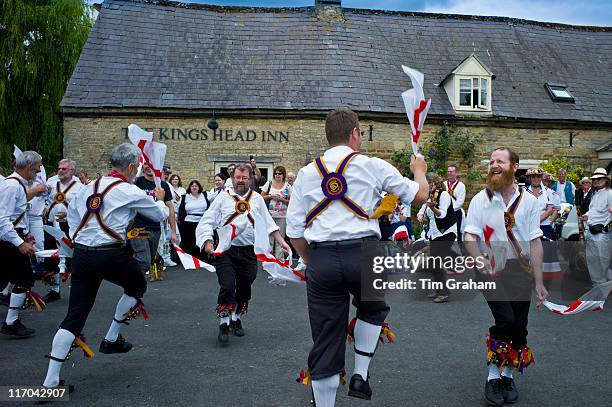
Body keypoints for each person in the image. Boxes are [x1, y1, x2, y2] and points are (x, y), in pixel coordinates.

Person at [286, 108, 428, 406]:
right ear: (354, 134)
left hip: (322, 257)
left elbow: (294, 230)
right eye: (360, 133)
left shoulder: (306, 172)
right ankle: (360, 374)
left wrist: (312, 261)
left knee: (326, 337)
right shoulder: (372, 165)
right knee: (372, 309)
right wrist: (419, 171)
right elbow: (419, 196)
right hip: (365, 253)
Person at [41, 143, 169, 392]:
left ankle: (50, 383)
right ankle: (111, 338)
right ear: (132, 167)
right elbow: (158, 215)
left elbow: (75, 220)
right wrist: (161, 200)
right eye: (137, 167)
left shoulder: (87, 188)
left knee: (75, 316)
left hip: (82, 255)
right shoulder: (129, 190)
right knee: (137, 284)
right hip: (111, 255)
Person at [463, 148, 548, 407]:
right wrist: (480, 260)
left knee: (519, 326)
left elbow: (535, 243)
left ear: (515, 166)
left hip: (519, 270)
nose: (494, 165)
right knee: (506, 319)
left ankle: (508, 375)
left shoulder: (531, 202)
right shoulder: (481, 199)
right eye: (491, 162)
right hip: (489, 269)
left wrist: (539, 282)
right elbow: (470, 237)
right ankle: (492, 378)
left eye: (500, 161)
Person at [197, 163, 289, 344]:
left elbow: (269, 223)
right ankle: (223, 323)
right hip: (226, 250)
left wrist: (282, 242)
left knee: (245, 288)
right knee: (227, 285)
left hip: (249, 251)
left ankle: (236, 317)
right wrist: (207, 241)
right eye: (238, 177)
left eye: (245, 178)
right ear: (232, 178)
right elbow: (207, 220)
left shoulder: (257, 199)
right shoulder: (223, 198)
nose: (241, 181)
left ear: (251, 179)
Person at [0, 151, 44, 337]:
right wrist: (19, 243)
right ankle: (11, 322)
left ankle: (11, 321)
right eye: (38, 165)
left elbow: (16, 216)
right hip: (8, 240)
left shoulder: (17, 185)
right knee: (23, 278)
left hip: (12, 237)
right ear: (29, 166)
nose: (40, 169)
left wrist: (26, 234)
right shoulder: (12, 186)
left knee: (19, 278)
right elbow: (2, 220)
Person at [128, 163, 176, 281]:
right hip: (137, 227)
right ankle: (133, 285)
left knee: (149, 259)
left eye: (152, 164)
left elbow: (170, 207)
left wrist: (173, 232)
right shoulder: (137, 182)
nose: (149, 167)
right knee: (143, 259)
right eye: (146, 164)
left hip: (155, 228)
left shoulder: (163, 185)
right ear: (142, 167)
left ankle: (136, 283)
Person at [44, 159, 83, 302]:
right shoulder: (51, 183)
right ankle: (54, 290)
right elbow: (44, 199)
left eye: (64, 169)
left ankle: (78, 291)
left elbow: (83, 208)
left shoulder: (79, 187)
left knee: (73, 257)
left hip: (70, 226)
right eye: (59, 168)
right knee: (51, 257)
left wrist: (68, 214)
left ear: (72, 171)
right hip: (52, 224)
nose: (60, 170)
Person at [417, 172, 457, 302]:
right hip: (435, 233)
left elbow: (442, 215)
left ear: (433, 184)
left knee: (436, 261)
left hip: (446, 232)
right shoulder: (429, 195)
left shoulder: (444, 195)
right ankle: (439, 289)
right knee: (435, 262)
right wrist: (420, 213)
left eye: (427, 184)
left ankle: (444, 292)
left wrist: (433, 208)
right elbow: (423, 206)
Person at [525, 168, 561, 282]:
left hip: (544, 226)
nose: (536, 179)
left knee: (547, 254)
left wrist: (537, 220)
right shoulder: (523, 192)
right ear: (530, 178)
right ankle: (531, 278)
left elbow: (550, 209)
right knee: (529, 253)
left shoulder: (549, 192)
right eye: (533, 176)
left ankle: (545, 281)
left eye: (538, 176)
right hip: (528, 227)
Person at [581, 168, 611, 286]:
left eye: (599, 179)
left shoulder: (609, 193)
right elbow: (592, 210)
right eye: (595, 179)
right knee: (592, 260)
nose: (597, 181)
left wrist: (605, 226)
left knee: (603, 260)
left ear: (605, 179)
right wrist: (586, 216)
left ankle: (604, 285)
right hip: (592, 230)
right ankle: (597, 285)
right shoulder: (595, 194)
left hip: (603, 233)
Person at [261, 165, 292, 258]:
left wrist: (282, 199)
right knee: (269, 238)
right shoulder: (269, 183)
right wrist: (271, 196)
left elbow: (292, 202)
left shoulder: (288, 186)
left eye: (280, 173)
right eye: (276, 173)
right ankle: (268, 260)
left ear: (283, 175)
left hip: (282, 216)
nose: (277, 175)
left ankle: (279, 260)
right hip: (269, 215)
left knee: (280, 239)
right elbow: (260, 197)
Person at [178, 180, 209, 257]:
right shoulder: (185, 197)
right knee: (189, 241)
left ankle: (201, 257)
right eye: (192, 186)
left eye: (196, 186)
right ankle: (189, 258)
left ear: (199, 187)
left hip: (202, 221)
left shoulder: (205, 195)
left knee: (201, 239)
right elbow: (181, 210)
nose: (194, 187)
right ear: (190, 187)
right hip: (189, 222)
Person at [445, 164, 466, 241]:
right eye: (448, 171)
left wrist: (450, 210)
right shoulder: (444, 184)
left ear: (456, 173)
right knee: (446, 232)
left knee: (457, 232)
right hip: (444, 213)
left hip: (456, 213)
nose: (449, 173)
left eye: (451, 172)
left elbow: (460, 202)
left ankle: (459, 250)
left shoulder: (461, 186)